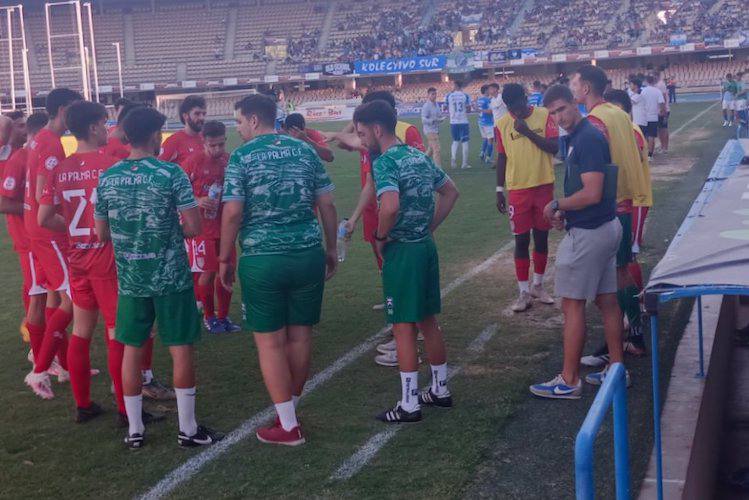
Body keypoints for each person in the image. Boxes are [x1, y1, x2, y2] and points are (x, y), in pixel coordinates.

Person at [95, 106, 222, 449]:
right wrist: (165, 233)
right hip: (171, 277)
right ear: (155, 135)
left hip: (131, 279)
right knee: (181, 350)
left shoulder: (107, 177)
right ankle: (188, 429)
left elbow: (101, 233)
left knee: (132, 351)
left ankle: (135, 429)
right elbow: (194, 227)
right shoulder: (171, 174)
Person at [219, 94, 338, 445]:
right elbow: (328, 204)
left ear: (254, 120)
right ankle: (290, 410)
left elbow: (232, 212)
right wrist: (331, 248)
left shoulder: (242, 156)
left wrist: (225, 258)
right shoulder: (303, 149)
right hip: (306, 253)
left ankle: (288, 424)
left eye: (239, 121)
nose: (237, 129)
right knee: (301, 335)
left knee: (270, 343)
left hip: (262, 258)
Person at [353, 99, 460, 422]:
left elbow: (389, 207)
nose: (361, 141)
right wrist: (428, 227)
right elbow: (451, 192)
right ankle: (440, 389)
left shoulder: (385, 163)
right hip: (425, 246)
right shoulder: (418, 155)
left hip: (403, 251)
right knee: (428, 320)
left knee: (402, 326)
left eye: (362, 134)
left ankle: (409, 403)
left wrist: (382, 238)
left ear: (376, 129)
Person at [529, 84, 625, 399]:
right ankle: (616, 370)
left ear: (575, 103)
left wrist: (557, 205)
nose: (559, 117)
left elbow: (592, 192)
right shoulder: (579, 137)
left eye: (562, 109)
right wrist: (566, 212)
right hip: (601, 227)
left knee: (572, 305)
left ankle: (569, 380)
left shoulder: (587, 138)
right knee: (607, 300)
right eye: (553, 113)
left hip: (591, 234)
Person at [37, 101, 126, 424]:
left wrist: (76, 232)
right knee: (117, 332)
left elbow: (44, 216)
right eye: (104, 123)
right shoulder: (112, 165)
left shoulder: (61, 169)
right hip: (106, 259)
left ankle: (84, 404)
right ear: (92, 127)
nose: (107, 129)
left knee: (82, 330)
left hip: (78, 259)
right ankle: (124, 407)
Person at [332, 91, 425, 367]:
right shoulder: (371, 142)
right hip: (382, 212)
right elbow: (370, 183)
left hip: (398, 218)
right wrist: (355, 218)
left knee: (401, 275)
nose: (360, 137)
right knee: (390, 272)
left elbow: (416, 178)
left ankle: (406, 340)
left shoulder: (399, 137)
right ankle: (407, 330)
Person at [573, 65, 651, 367]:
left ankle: (625, 347)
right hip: (626, 203)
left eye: (574, 83)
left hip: (608, 208)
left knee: (608, 281)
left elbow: (597, 169)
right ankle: (625, 339)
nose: (572, 86)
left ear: (586, 88)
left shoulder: (595, 121)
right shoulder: (620, 115)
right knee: (619, 274)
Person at [23, 88, 82, 399]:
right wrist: (71, 224)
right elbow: (42, 196)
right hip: (49, 234)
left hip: (39, 231)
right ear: (63, 109)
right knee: (73, 298)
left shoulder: (42, 140)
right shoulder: (49, 144)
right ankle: (41, 370)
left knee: (55, 299)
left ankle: (62, 365)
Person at [494, 83, 558, 312]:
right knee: (521, 241)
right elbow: (501, 158)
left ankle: (538, 286)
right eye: (510, 107)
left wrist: (527, 132)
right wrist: (499, 190)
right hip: (518, 190)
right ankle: (523, 292)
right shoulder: (502, 124)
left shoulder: (544, 115)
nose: (515, 110)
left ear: (525, 98)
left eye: (518, 104)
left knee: (541, 238)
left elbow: (554, 147)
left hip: (543, 187)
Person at [183, 120, 242, 334]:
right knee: (207, 273)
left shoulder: (229, 161)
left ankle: (224, 316)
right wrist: (197, 200)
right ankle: (210, 317)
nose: (217, 149)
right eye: (212, 145)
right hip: (202, 229)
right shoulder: (192, 163)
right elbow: (178, 193)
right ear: (203, 142)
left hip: (225, 226)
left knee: (227, 272)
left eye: (221, 144)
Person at [0, 111, 46, 348]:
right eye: (17, 126)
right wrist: (34, 208)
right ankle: (40, 358)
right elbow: (4, 203)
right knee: (39, 293)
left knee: (39, 291)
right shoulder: (12, 155)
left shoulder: (27, 155)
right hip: (26, 234)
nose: (18, 130)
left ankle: (44, 352)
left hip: (38, 233)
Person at [159, 95, 206, 166]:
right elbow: (159, 168)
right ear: (185, 116)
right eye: (197, 114)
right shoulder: (173, 141)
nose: (202, 118)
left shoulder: (206, 138)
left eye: (204, 114)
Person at [445, 80, 471, 169]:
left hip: (453, 122)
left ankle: (453, 158)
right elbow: (468, 109)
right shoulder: (466, 96)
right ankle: (464, 163)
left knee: (455, 141)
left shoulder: (449, 95)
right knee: (465, 142)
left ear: (456, 86)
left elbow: (445, 107)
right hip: (463, 121)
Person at [640, 75, 666, 157]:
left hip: (644, 116)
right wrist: (662, 112)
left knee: (644, 136)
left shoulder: (643, 91)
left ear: (646, 81)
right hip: (653, 116)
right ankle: (650, 155)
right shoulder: (657, 91)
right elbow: (661, 102)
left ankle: (645, 152)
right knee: (652, 136)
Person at [421, 87, 444, 167]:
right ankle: (438, 169)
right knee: (437, 149)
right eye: (432, 94)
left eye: (435, 94)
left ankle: (421, 163)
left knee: (430, 150)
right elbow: (423, 119)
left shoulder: (436, 104)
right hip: (429, 130)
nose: (434, 96)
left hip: (435, 129)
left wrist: (441, 119)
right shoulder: (426, 106)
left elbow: (439, 115)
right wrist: (432, 120)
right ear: (428, 95)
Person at [477, 85, 495, 165]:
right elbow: (490, 111)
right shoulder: (488, 100)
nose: (490, 91)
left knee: (485, 138)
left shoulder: (479, 100)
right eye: (489, 90)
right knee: (490, 140)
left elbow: (478, 110)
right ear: (486, 91)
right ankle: (488, 158)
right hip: (488, 123)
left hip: (481, 122)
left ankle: (482, 153)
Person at [655, 73, 670, 153]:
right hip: (659, 110)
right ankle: (662, 146)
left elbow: (663, 97)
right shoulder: (656, 85)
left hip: (663, 110)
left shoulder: (661, 84)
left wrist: (663, 109)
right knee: (660, 129)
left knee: (663, 129)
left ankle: (665, 147)